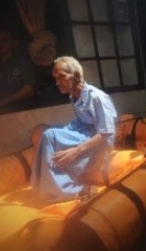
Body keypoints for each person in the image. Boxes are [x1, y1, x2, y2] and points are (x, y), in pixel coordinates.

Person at [31, 56, 117, 203]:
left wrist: (75, 151)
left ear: (76, 75)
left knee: (50, 135)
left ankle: (73, 190)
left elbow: (106, 132)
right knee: (46, 134)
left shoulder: (96, 97)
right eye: (55, 78)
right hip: (84, 132)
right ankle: (44, 187)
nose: (57, 83)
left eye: (62, 77)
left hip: (100, 141)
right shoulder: (74, 96)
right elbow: (82, 121)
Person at [0, 25, 35, 113]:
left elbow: (29, 90)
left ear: (14, 43)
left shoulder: (22, 61)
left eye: (5, 39)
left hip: (22, 111)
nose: (0, 43)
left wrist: (2, 102)